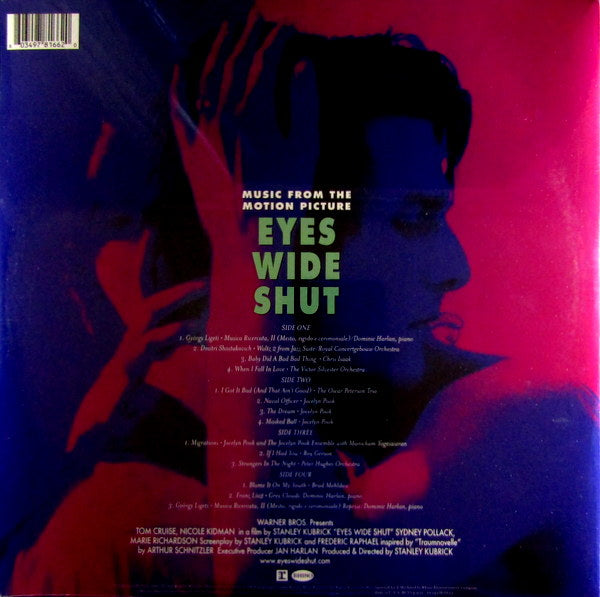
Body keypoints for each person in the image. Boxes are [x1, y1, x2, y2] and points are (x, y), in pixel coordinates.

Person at [8, 8, 598, 597]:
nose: (456, 268)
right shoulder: (141, 454)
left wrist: (252, 245)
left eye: (432, 212)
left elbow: (294, 576)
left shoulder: (539, 420)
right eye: (413, 216)